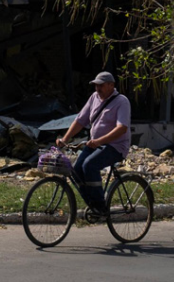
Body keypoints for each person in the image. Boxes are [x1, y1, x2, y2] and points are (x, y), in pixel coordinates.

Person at [56, 71, 131, 217]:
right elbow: (80, 120)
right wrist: (65, 139)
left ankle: (100, 206)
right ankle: (92, 204)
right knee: (76, 170)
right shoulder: (94, 98)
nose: (98, 89)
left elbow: (122, 128)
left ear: (111, 85)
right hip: (95, 144)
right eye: (96, 86)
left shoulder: (122, 101)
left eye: (101, 86)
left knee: (89, 165)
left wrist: (99, 141)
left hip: (116, 146)